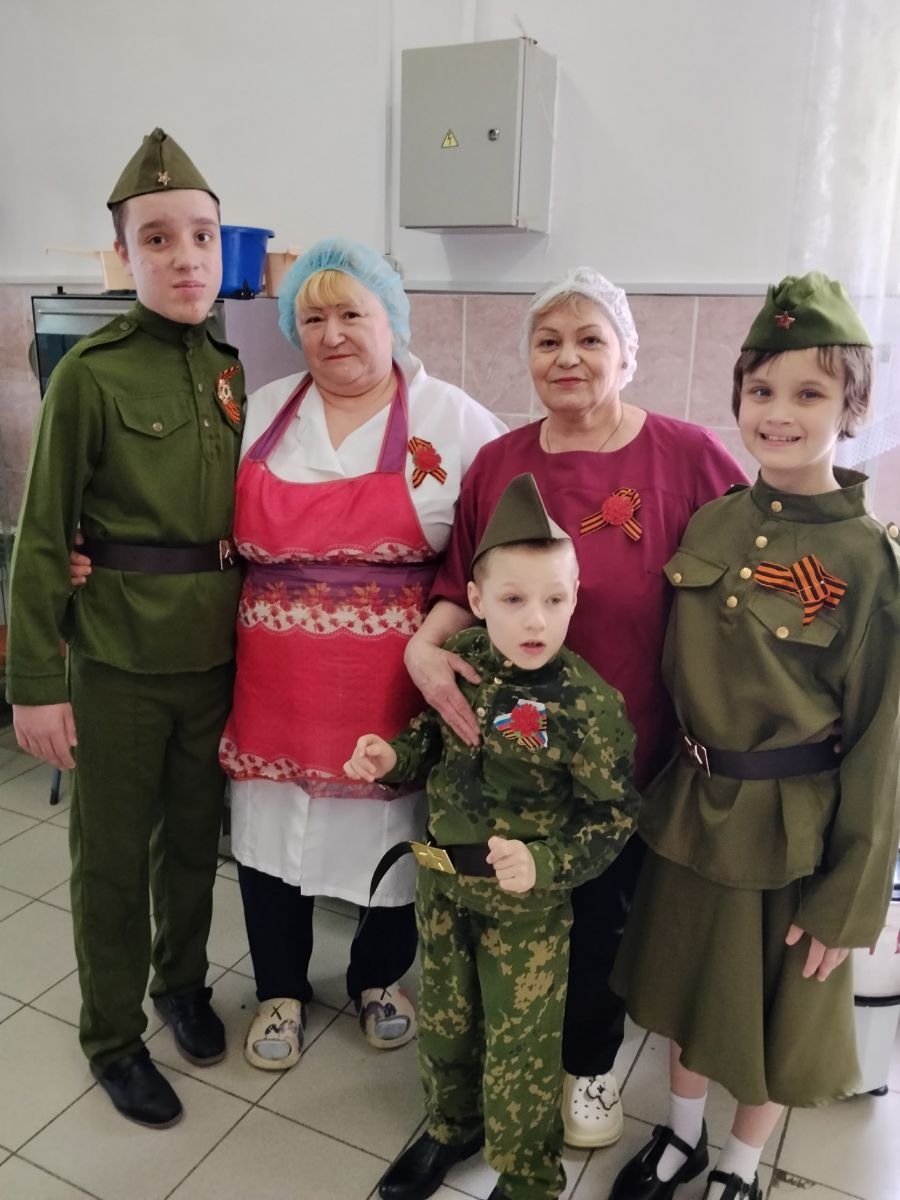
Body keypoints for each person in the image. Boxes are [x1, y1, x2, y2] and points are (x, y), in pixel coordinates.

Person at [404, 266, 746, 1147]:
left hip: (629, 750)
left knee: (599, 918)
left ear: (627, 354)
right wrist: (421, 648)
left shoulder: (685, 457)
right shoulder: (499, 464)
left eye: (591, 340)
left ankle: (588, 1066)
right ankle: (486, 1067)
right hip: (510, 749)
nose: (568, 358)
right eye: (548, 341)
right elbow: (458, 583)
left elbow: (745, 582)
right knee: (507, 913)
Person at [608, 272, 900, 1200]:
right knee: (687, 990)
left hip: (790, 833)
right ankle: (682, 1137)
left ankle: (739, 1164)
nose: (778, 413)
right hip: (693, 808)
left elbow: (882, 743)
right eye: (761, 389)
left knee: (771, 1016)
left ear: (851, 407)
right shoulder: (715, 520)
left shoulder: (866, 559)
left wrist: (849, 898)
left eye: (809, 393)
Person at [217, 238, 507, 1069]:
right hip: (274, 683)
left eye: (352, 313)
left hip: (391, 687)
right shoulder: (263, 411)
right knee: (268, 838)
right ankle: (280, 989)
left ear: (393, 319)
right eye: (313, 319)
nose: (333, 333)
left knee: (390, 836)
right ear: (292, 328)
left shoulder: (451, 420)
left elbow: (494, 549)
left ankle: (379, 979)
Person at [6, 129, 242, 1128]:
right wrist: (35, 684)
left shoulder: (232, 371)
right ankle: (110, 1034)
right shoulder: (91, 375)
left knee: (191, 843)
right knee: (109, 859)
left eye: (202, 236)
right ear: (123, 256)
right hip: (116, 659)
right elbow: (42, 533)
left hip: (215, 655)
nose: (185, 257)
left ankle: (180, 984)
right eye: (158, 238)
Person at [345, 473, 640, 1200]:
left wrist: (543, 862)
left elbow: (612, 818)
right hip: (444, 886)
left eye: (554, 600)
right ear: (476, 600)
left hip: (526, 912)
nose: (535, 620)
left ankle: (528, 1176)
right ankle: (452, 1127)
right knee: (446, 1025)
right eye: (513, 600)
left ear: (576, 595)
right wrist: (390, 758)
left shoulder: (587, 704)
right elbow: (431, 736)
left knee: (520, 1049)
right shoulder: (465, 660)